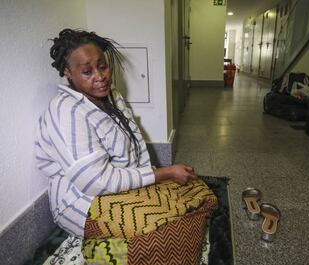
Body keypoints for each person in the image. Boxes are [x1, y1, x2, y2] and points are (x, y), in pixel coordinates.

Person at [35, 29, 216, 263]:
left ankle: (128, 239)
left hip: (126, 187)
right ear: (68, 72)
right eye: (87, 71)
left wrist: (152, 188)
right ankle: (99, 252)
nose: (100, 77)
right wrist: (161, 175)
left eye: (103, 66)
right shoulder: (66, 112)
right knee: (173, 236)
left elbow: (136, 146)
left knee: (198, 191)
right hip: (86, 202)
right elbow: (94, 182)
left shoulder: (113, 97)